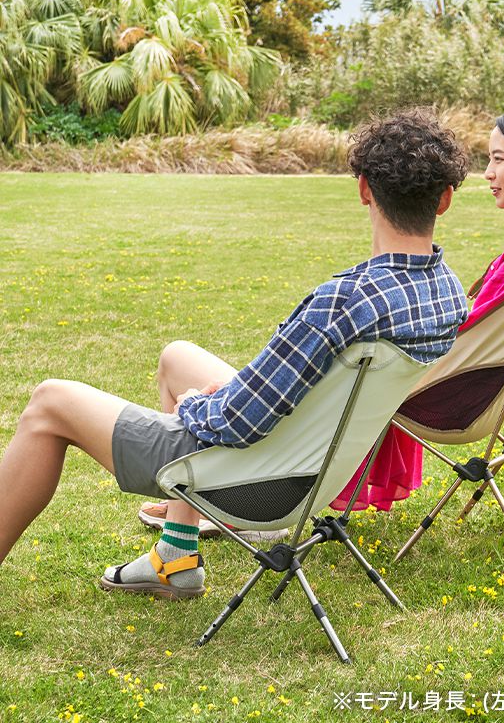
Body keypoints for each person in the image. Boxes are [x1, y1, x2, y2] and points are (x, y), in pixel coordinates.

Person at [0, 109, 469, 599]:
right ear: (445, 199)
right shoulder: (447, 293)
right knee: (177, 356)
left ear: (364, 189)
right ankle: (174, 557)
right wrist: (230, 393)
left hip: (256, 479)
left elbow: (237, 424)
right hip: (314, 468)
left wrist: (195, 406)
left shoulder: (345, 300)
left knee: (49, 402)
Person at [137, 103, 504, 523]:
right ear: (445, 199)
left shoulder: (352, 298)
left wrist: (203, 401)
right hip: (454, 390)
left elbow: (242, 416)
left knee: (177, 361)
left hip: (392, 405)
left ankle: (189, 519)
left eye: (498, 159)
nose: (489, 173)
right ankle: (190, 511)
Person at [328, 103, 504, 512]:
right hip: (497, 387)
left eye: (498, 159)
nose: (487, 172)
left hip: (454, 395)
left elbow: (460, 336)